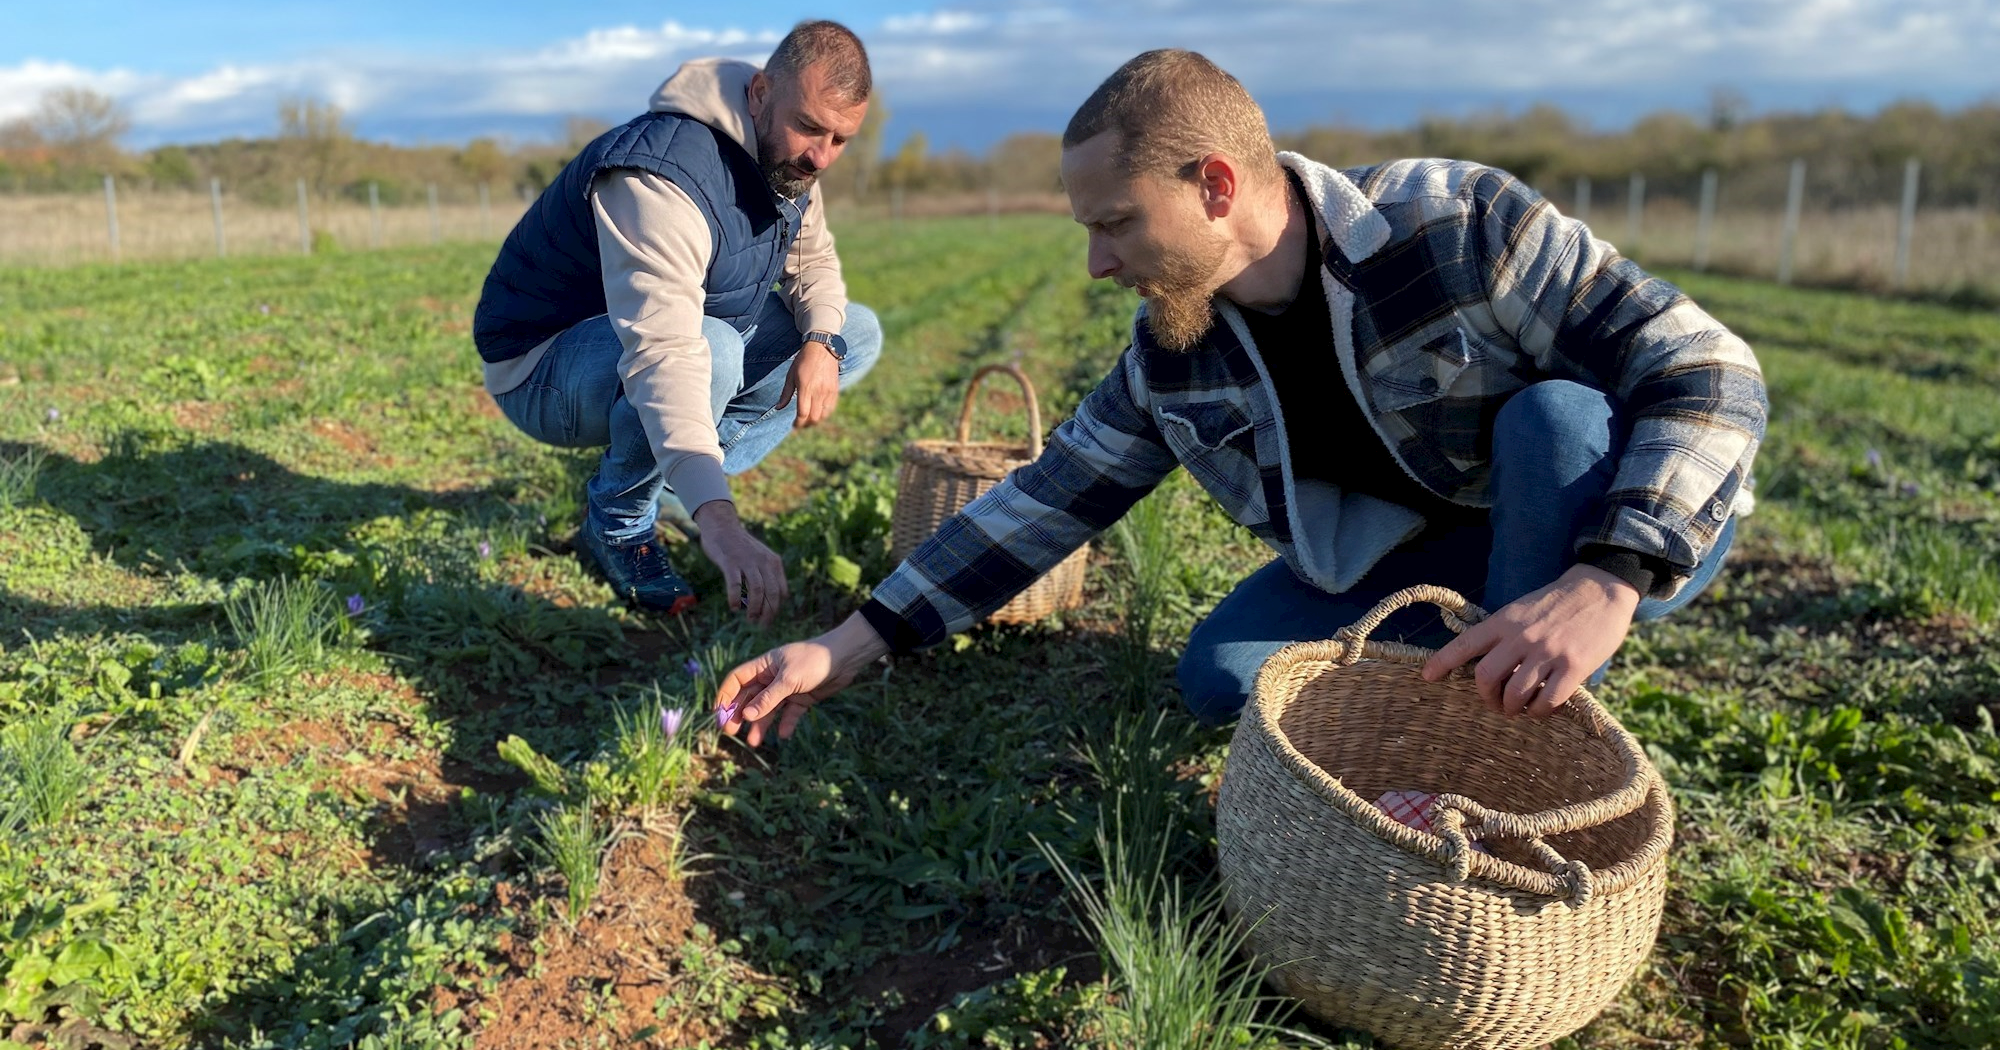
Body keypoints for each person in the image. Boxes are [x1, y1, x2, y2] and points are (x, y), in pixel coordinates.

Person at [712, 49, 1765, 746]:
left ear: (1214, 187)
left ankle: (1504, 723)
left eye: (1113, 223)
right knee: (1221, 678)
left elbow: (1708, 369)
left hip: (1607, 519)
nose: (1094, 264)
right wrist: (847, 646)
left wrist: (1608, 578)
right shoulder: (1177, 349)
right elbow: (1049, 501)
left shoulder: (1452, 228)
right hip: (1412, 552)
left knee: (1558, 420)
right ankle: (1475, 654)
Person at [473, 20, 883, 624]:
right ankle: (615, 524)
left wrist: (822, 341)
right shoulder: (661, 175)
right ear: (762, 93)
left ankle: (663, 487)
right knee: (708, 350)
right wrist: (720, 521)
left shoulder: (792, 166)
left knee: (856, 331)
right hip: (542, 369)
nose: (821, 155)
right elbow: (663, 355)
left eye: (841, 139)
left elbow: (813, 263)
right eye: (810, 127)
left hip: (658, 345)